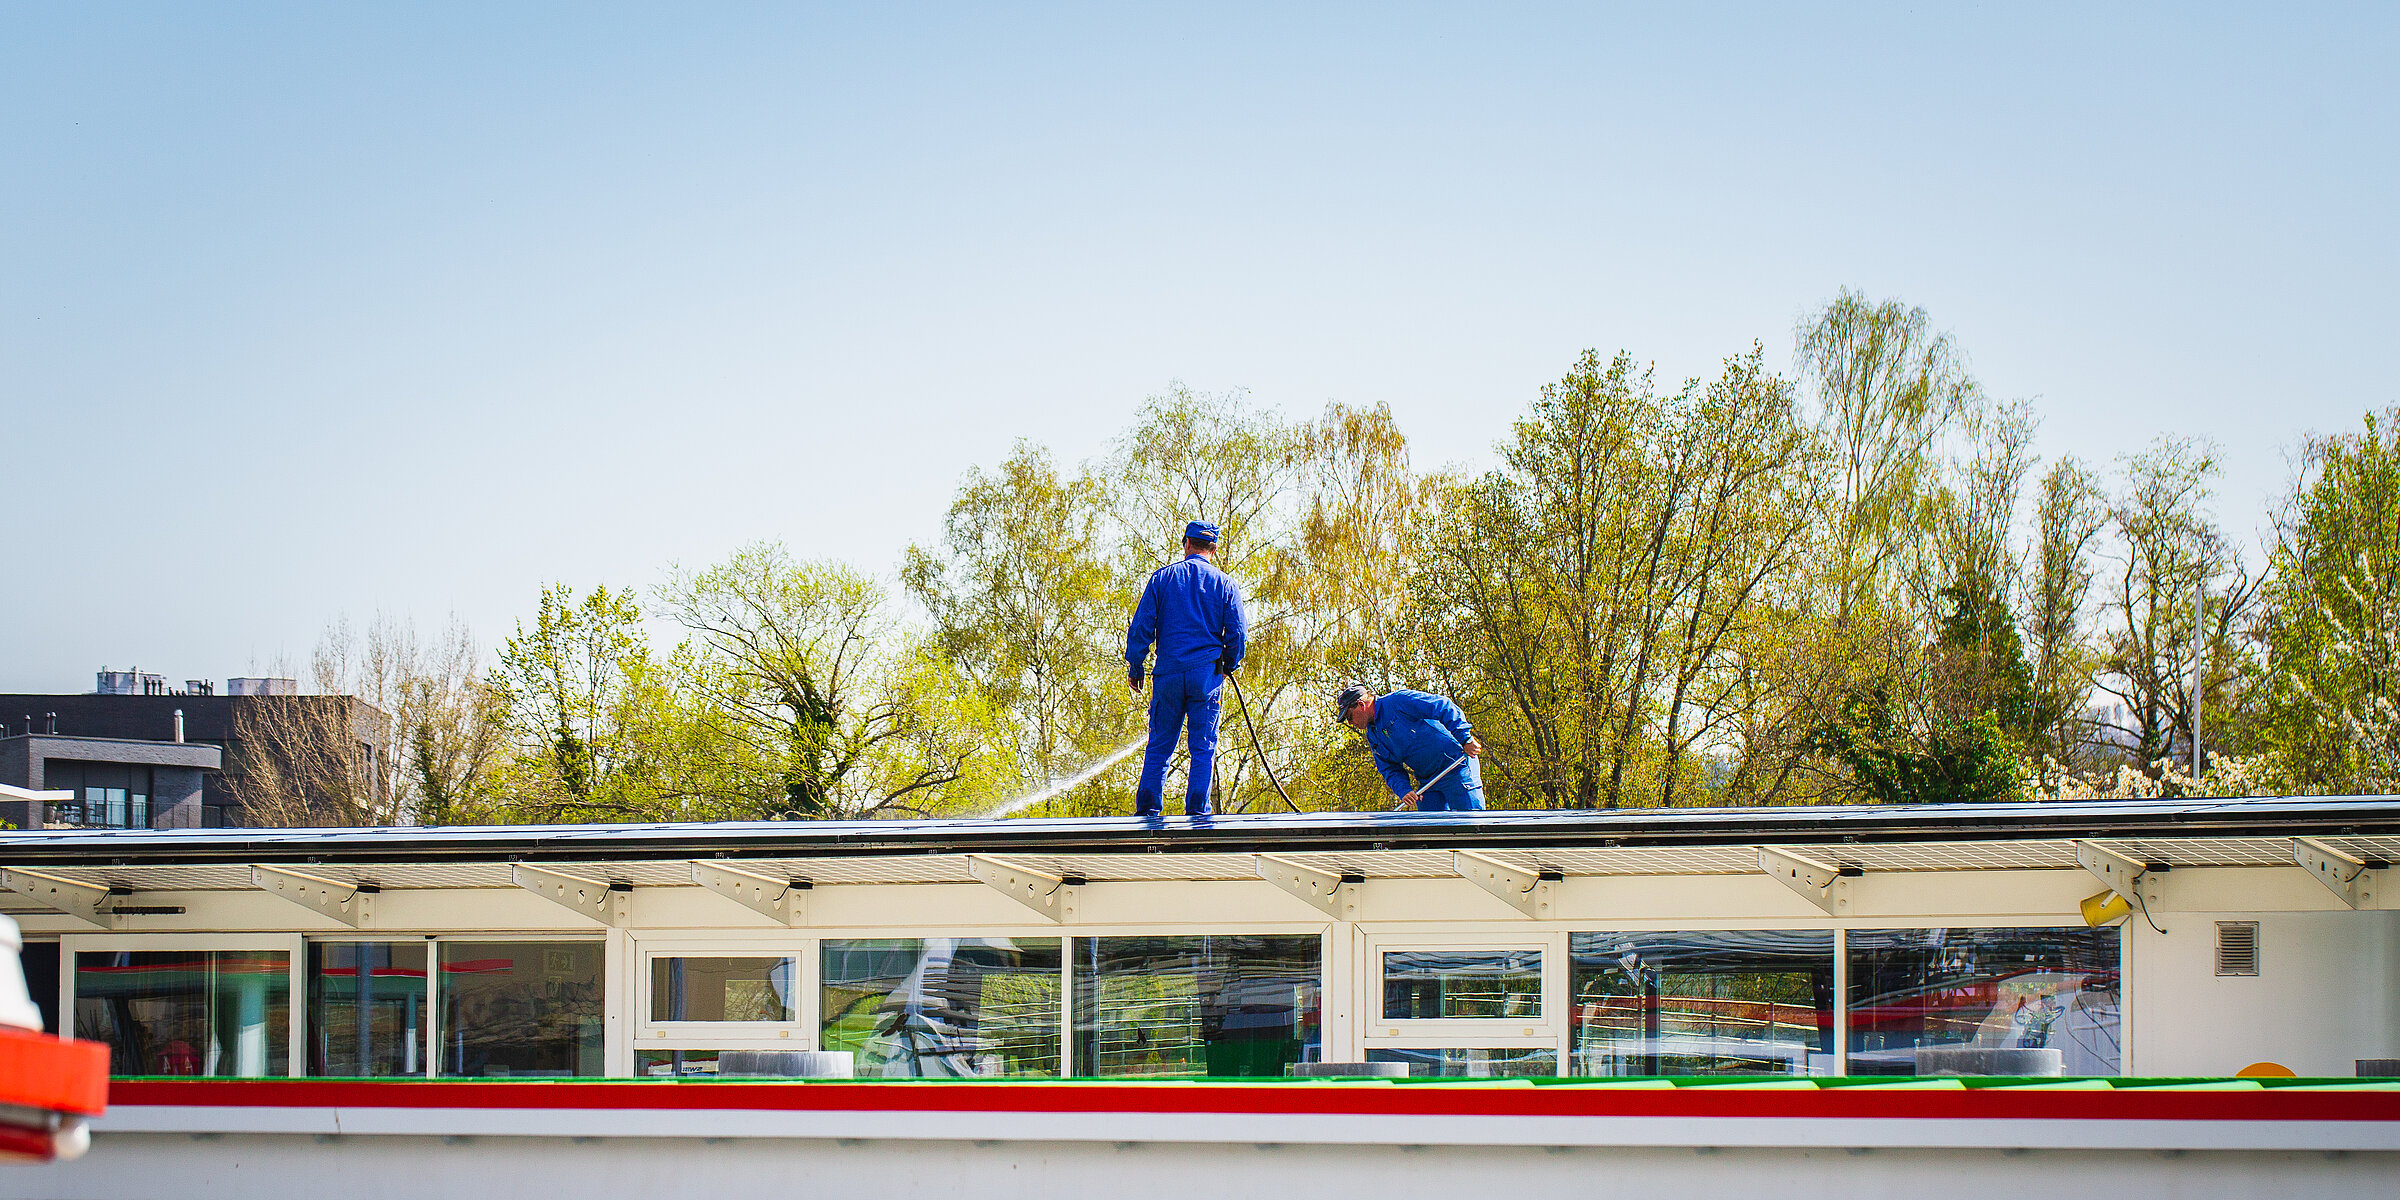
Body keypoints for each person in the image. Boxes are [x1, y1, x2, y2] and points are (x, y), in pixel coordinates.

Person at [1125, 521, 1248, 816]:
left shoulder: (1162, 579)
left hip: (1168, 675)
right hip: (1206, 676)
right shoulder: (1225, 584)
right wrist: (1229, 664)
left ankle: (1148, 813)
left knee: (1160, 745)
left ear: (1187, 544)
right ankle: (1197, 813)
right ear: (1213, 549)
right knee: (1203, 747)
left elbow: (1141, 626)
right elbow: (1238, 633)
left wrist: (1136, 665)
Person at [1337, 684, 1485, 811]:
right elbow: (1389, 768)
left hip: (1457, 767)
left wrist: (1465, 738)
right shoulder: (1373, 736)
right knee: (1429, 831)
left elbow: (1442, 706)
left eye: (1349, 717)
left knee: (1471, 825)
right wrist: (1404, 790)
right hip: (1428, 782)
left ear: (1361, 705)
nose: (1350, 723)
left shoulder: (1398, 701)